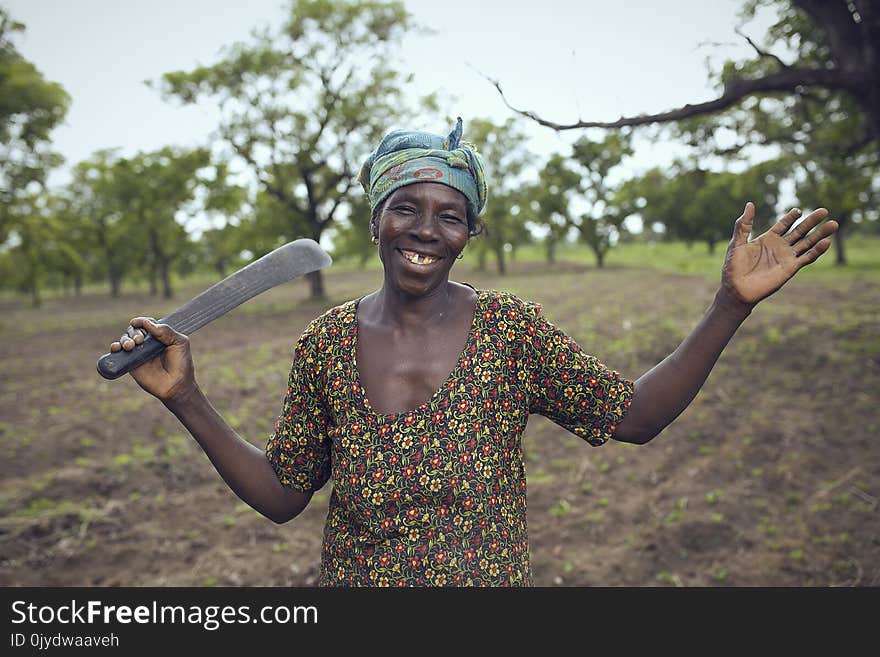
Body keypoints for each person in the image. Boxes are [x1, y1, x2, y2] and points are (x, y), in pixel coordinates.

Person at [109, 118, 839, 587]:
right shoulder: (327, 344)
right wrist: (186, 399)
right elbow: (282, 494)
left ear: (469, 231)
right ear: (376, 220)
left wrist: (729, 305)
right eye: (406, 208)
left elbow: (637, 415)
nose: (425, 230)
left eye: (449, 215)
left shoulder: (509, 332)